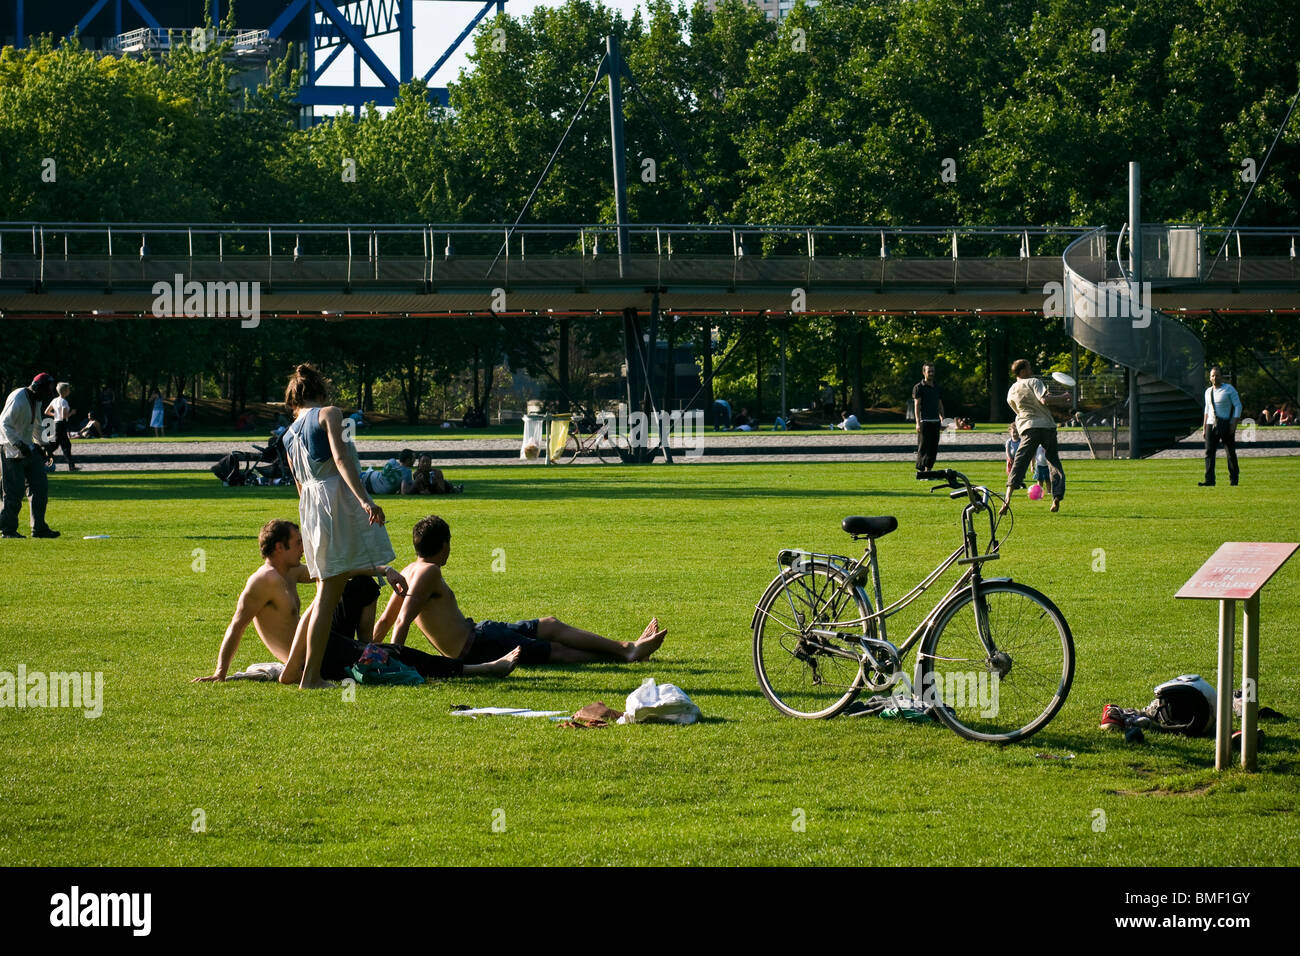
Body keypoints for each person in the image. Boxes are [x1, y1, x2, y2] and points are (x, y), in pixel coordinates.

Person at [194, 520, 519, 684]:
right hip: (317, 658)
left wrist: (381, 570)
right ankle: (482, 669)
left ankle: (476, 668)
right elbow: (236, 626)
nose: (302, 549)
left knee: (372, 610)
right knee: (397, 655)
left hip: (326, 645)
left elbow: (334, 573)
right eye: (296, 544)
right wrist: (220, 671)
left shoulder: (289, 574)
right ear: (278, 548)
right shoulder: (260, 583)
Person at [373, 515, 668, 667]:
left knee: (550, 624)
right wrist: (395, 663)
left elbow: (385, 622)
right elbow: (400, 623)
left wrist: (365, 652)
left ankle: (626, 648)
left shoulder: (410, 570)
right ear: (444, 544)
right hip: (478, 647)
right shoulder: (428, 571)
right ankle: (628, 652)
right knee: (558, 653)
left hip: (480, 633)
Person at [280, 363, 406, 689]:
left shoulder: (288, 432)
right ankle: (309, 677)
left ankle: (299, 672)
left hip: (311, 506)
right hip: (333, 500)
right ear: (320, 392)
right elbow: (341, 459)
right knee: (326, 598)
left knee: (326, 594)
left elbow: (299, 484)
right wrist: (364, 500)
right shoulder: (329, 413)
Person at [1002, 359, 1069, 514]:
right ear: (1023, 370)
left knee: (1020, 462)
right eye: (1029, 367)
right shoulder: (1034, 381)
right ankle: (1056, 497)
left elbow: (1018, 411)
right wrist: (1064, 396)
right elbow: (1044, 400)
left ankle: (1007, 500)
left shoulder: (1011, 390)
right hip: (1046, 426)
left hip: (1028, 428)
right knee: (1053, 461)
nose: (1031, 369)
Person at [1, 372, 61, 538]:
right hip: (11, 451)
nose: (48, 395)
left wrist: (45, 445)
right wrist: (18, 444)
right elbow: (3, 424)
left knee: (40, 487)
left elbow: (37, 425)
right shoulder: (18, 398)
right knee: (13, 492)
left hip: (29, 449)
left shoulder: (37, 400)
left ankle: (39, 528)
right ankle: (8, 530)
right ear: (37, 388)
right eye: (47, 390)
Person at [1200, 365, 1242, 487]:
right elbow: (1206, 410)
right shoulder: (1208, 392)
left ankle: (1234, 480)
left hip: (1225, 424)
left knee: (1230, 452)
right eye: (1212, 375)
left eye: (1217, 375)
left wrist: (1233, 424)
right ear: (1210, 378)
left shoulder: (1229, 389)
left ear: (1221, 377)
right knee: (1209, 453)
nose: (1215, 378)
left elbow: (1238, 406)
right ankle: (1209, 480)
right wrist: (1204, 427)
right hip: (1210, 425)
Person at [913, 361, 945, 473]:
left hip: (935, 421)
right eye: (929, 371)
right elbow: (916, 405)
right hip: (924, 421)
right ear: (924, 372)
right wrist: (917, 422)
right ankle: (921, 471)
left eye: (932, 371)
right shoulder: (918, 387)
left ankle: (929, 471)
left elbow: (939, 404)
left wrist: (943, 420)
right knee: (923, 447)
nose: (931, 373)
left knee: (933, 448)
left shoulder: (937, 387)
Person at [43, 382, 79, 472]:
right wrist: (71, 413)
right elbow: (64, 416)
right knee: (56, 445)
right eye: (68, 389)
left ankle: (72, 466)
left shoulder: (55, 400)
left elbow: (46, 412)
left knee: (66, 445)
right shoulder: (64, 401)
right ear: (65, 391)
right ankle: (43, 455)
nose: (69, 391)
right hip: (61, 424)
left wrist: (55, 415)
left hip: (56, 423)